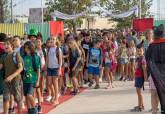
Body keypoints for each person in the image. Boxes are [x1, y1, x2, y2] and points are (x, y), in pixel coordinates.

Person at [0, 38, 23, 114]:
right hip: (6, 80)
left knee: (18, 99)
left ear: (12, 46)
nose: (5, 46)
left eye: (7, 44)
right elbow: (1, 66)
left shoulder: (16, 54)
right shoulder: (3, 56)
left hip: (16, 80)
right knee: (5, 98)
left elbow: (20, 68)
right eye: (4, 44)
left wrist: (12, 76)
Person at [146, 24, 165, 114]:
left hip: (154, 74)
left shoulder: (151, 46)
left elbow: (147, 60)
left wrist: (148, 73)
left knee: (154, 93)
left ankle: (154, 111)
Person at [22, 41, 40, 114]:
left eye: (28, 48)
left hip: (33, 79)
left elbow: (38, 69)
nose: (26, 49)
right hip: (25, 79)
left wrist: (38, 80)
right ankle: (29, 109)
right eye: (25, 48)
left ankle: (35, 108)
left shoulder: (35, 57)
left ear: (31, 48)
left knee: (29, 95)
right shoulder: (23, 57)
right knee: (26, 95)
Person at [131, 41, 147, 112]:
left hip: (140, 77)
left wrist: (146, 78)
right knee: (138, 92)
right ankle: (141, 105)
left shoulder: (143, 58)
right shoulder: (137, 58)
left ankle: (140, 106)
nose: (139, 52)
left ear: (143, 51)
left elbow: (144, 68)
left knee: (139, 92)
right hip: (137, 76)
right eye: (138, 51)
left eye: (140, 51)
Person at [47, 37, 62, 106]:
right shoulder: (49, 49)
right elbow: (47, 59)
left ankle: (56, 99)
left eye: (53, 39)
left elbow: (60, 60)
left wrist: (59, 69)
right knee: (49, 83)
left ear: (56, 41)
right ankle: (53, 95)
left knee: (55, 84)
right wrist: (45, 67)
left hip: (56, 68)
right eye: (51, 39)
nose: (52, 40)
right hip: (49, 68)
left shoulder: (58, 49)